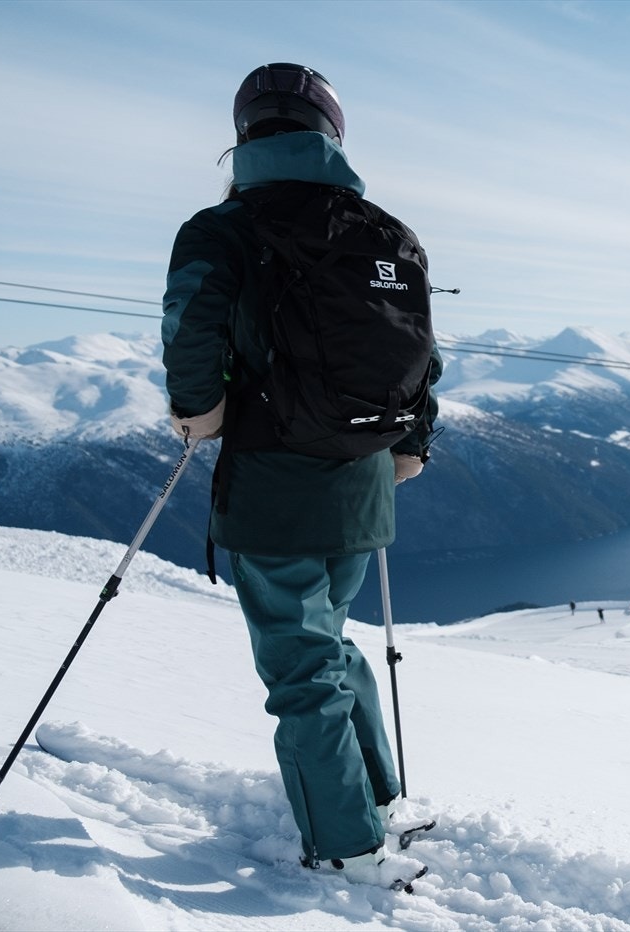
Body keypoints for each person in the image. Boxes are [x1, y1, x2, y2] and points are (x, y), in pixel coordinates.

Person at [161, 63, 439, 887]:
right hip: (365, 477)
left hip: (274, 481)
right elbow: (423, 353)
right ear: (332, 136)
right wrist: (413, 442)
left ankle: (345, 845)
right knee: (329, 640)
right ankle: (378, 797)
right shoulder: (386, 232)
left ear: (244, 136)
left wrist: (197, 411)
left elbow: (191, 328)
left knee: (299, 666)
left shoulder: (221, 230)